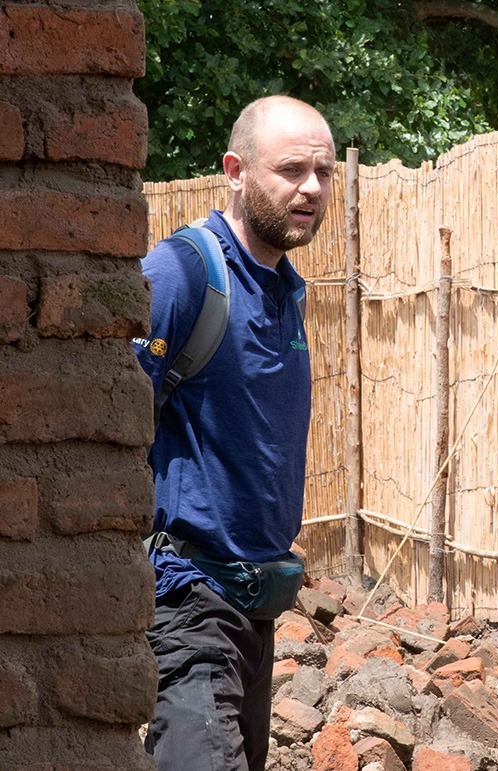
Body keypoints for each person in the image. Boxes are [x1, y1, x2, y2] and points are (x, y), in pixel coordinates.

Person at [133, 95, 335, 770]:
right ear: (235, 171)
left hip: (256, 611)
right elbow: (114, 426)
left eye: (325, 172)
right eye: (291, 170)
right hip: (188, 601)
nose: (312, 187)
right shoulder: (185, 274)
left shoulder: (286, 290)